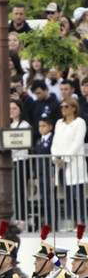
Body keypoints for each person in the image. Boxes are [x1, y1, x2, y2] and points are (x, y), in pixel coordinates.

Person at [52, 97, 87, 228]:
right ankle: (73, 221)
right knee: (67, 195)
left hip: (74, 162)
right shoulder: (59, 123)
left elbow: (77, 143)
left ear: (73, 108)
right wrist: (55, 157)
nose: (63, 109)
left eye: (66, 106)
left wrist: (65, 158)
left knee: (78, 194)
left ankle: (81, 221)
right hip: (60, 164)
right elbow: (54, 142)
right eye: (62, 107)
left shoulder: (79, 122)